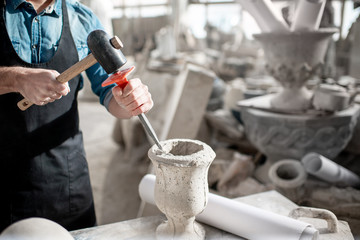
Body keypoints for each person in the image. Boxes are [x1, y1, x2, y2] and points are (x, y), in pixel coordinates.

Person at [0, 0, 154, 232]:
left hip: (67, 183)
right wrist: (16, 78)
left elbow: (111, 97)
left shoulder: (81, 19)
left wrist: (129, 100)